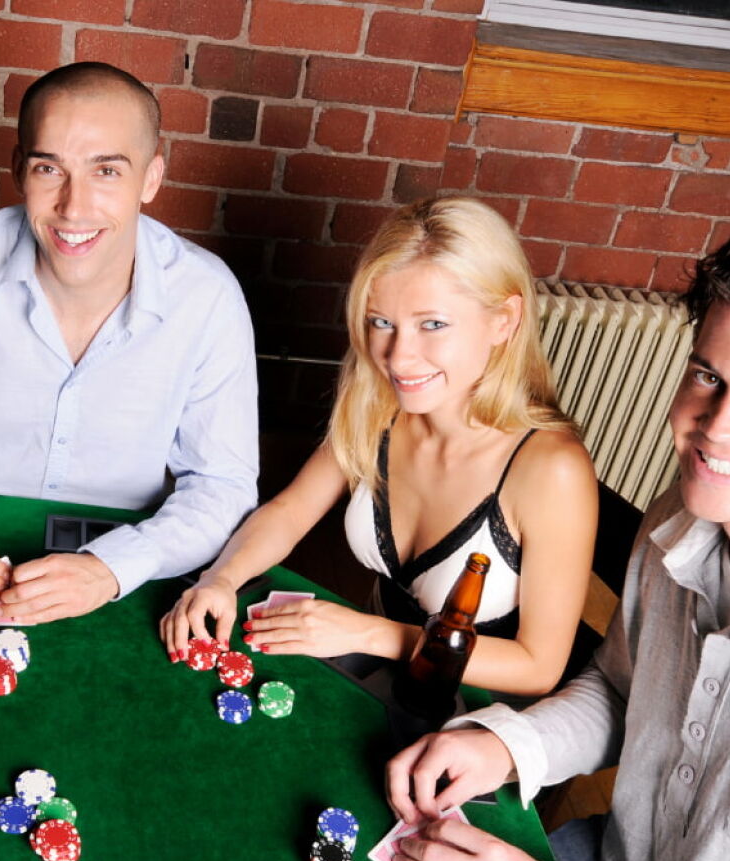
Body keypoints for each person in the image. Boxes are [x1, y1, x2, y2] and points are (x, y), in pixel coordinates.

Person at [385, 210, 730, 861]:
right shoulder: (680, 514)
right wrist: (507, 745)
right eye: (707, 376)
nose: (717, 427)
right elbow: (619, 688)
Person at [0, 63, 258, 624]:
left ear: (151, 179)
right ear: (18, 170)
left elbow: (222, 484)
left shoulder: (207, 296)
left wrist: (112, 567)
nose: (73, 206)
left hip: (121, 555)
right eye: (48, 168)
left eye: (106, 170)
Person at [161, 197, 597, 697]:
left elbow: (537, 666)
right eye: (381, 323)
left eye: (432, 324)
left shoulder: (552, 469)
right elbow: (289, 512)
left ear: (504, 320)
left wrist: (364, 631)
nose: (398, 357)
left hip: (479, 716)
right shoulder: (378, 406)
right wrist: (221, 578)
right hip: (375, 679)